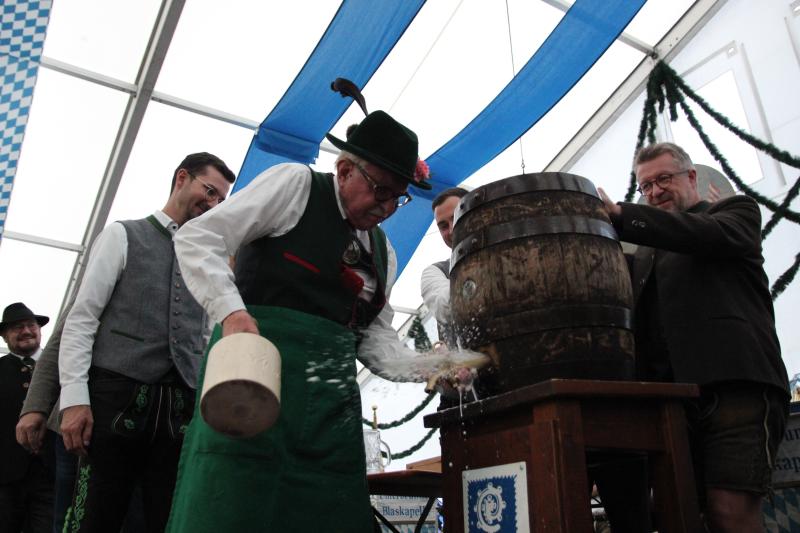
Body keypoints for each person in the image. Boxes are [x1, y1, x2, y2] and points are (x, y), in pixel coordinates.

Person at [166, 111, 441, 532]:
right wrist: (233, 313)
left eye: (397, 197)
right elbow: (199, 238)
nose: (387, 208)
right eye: (380, 190)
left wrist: (427, 367)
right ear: (345, 169)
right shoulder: (296, 186)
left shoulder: (383, 252)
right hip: (252, 389)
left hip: (329, 418)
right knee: (233, 508)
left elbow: (374, 338)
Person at [598, 142, 789, 532]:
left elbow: (699, 234)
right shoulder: (646, 255)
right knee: (677, 511)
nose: (654, 191)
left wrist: (623, 215)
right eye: (645, 186)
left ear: (691, 177)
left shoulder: (734, 213)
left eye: (663, 179)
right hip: (674, 401)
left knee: (730, 512)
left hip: (737, 388)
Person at [57, 152, 235, 532]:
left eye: (221, 199)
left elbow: (204, 339)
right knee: (94, 518)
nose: (213, 204)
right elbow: (82, 318)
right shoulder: (123, 234)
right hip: (114, 398)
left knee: (167, 521)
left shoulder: (210, 260)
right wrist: (74, 400)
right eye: (209, 191)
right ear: (181, 178)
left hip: (179, 412)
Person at [0, 302, 54, 533]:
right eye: (16, 327)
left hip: (51, 472)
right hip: (6, 476)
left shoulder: (62, 366)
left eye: (30, 325)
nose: (25, 331)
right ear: (4, 336)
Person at [420, 186, 468, 350]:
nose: (452, 229)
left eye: (456, 217)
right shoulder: (435, 272)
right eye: (443, 226)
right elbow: (445, 307)